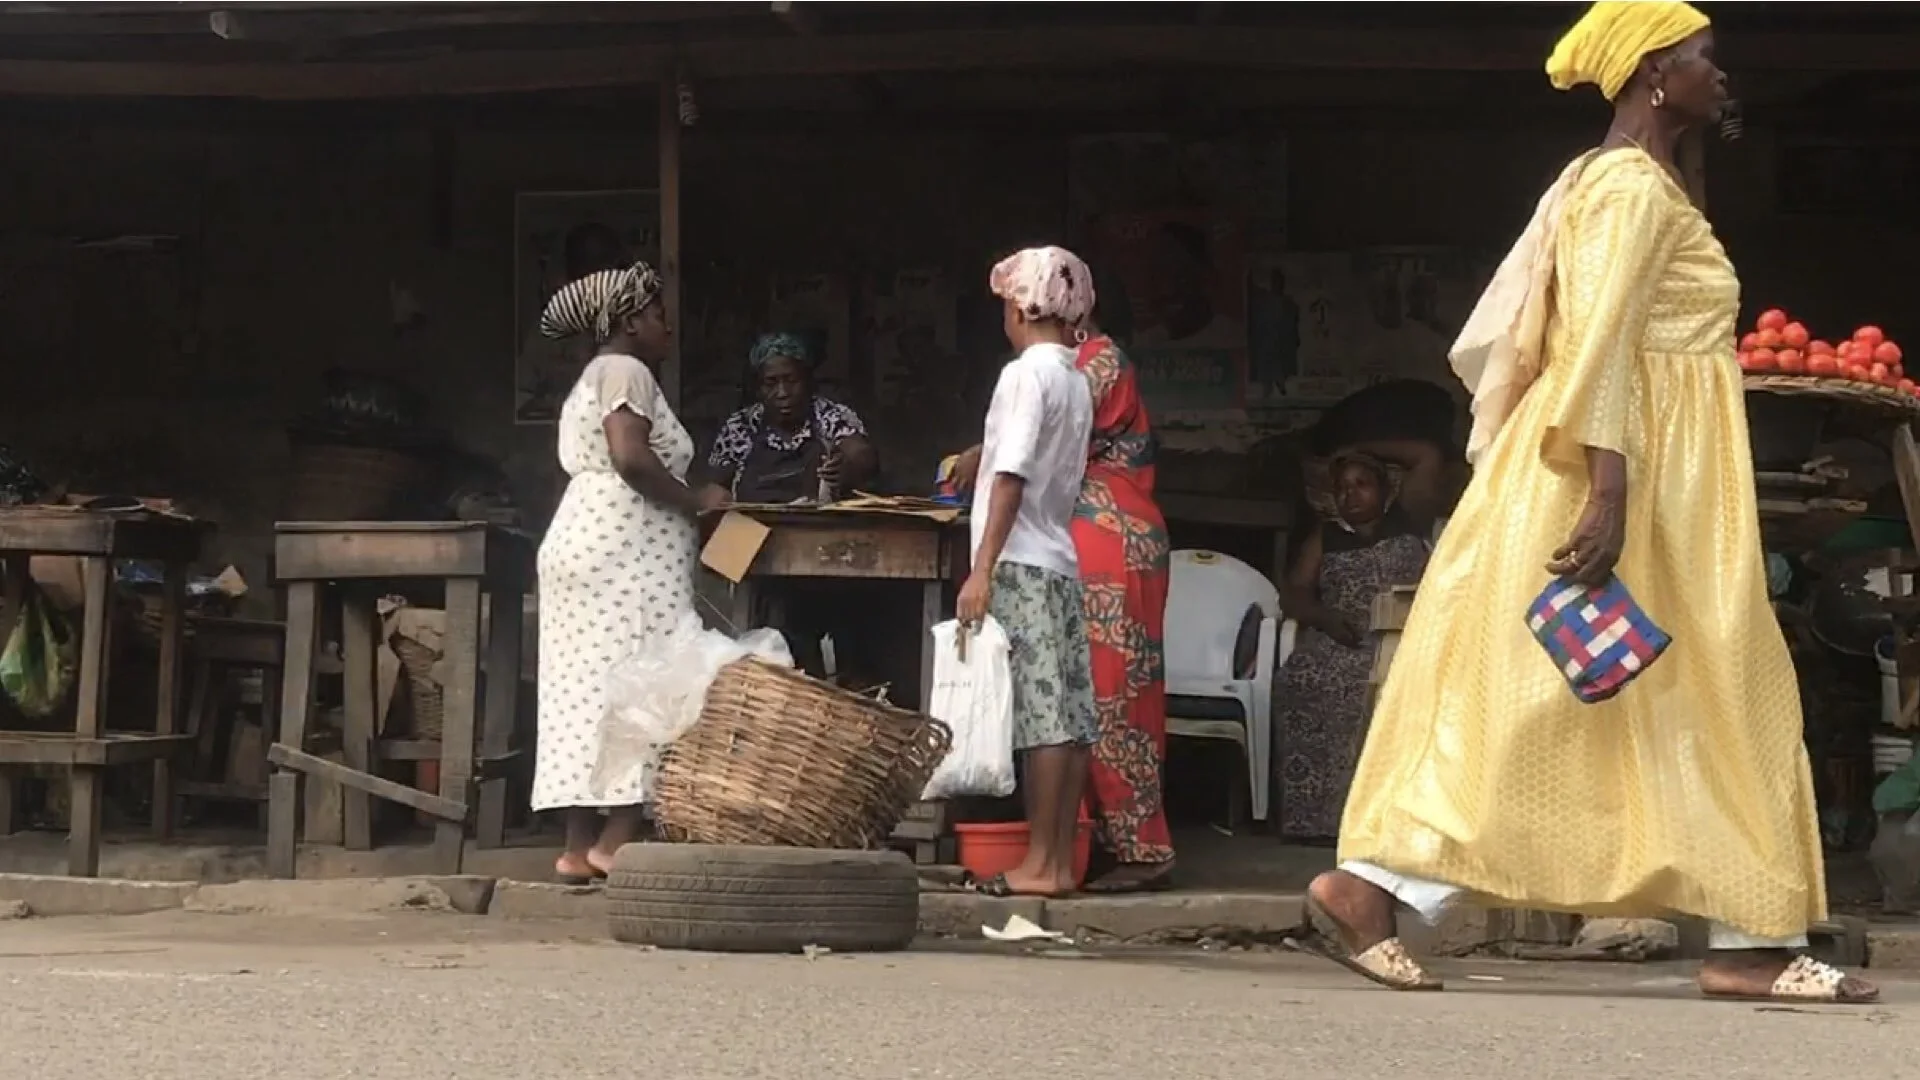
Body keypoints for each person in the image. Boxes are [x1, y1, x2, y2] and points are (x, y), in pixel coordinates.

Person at [1293, 1, 1878, 1004]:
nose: (1720, 75)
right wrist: (1607, 495)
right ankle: (1382, 886)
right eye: (1702, 57)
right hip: (1618, 476)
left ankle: (1743, 932)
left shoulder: (1632, 181)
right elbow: (1599, 345)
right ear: (1653, 72)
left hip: (1655, 478)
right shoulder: (1625, 190)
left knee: (1636, 697)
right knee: (1635, 693)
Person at [958, 314, 1177, 892]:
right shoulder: (1070, 364)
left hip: (1107, 540)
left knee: (1103, 700)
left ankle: (1137, 846)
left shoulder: (1089, 363)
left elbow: (1036, 437)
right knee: (1082, 703)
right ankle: (1080, 846)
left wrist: (984, 454)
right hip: (1088, 536)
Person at [531, 261, 727, 884]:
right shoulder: (626, 370)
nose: (668, 325)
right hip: (626, 552)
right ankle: (616, 840)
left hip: (585, 544)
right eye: (658, 314)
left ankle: (576, 848)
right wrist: (696, 500)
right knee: (649, 679)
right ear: (630, 320)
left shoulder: (594, 375)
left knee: (585, 690)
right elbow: (630, 457)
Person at [955, 246, 1098, 898]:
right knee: (1068, 720)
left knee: (1042, 721)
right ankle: (1059, 863)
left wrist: (980, 570)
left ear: (1020, 308)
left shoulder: (1023, 376)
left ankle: (1040, 861)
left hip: (1021, 561)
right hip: (1060, 559)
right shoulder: (1075, 379)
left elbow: (1011, 475)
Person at [1273, 447, 1434, 844]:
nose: (1351, 495)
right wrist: (1325, 618)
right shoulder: (1325, 537)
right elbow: (1293, 594)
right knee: (1302, 678)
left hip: (1402, 643)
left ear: (1384, 490)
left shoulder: (1408, 520)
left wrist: (1354, 447)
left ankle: (1385, 828)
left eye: (1362, 484)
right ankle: (1316, 823)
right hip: (1341, 639)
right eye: (1343, 488)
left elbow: (1425, 455)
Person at [703, 332, 877, 504]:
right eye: (770, 383)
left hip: (817, 519)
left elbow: (861, 454)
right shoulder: (741, 426)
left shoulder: (829, 415)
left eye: (792, 380)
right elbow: (716, 486)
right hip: (754, 521)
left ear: (807, 381)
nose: (783, 393)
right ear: (757, 388)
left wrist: (848, 467)